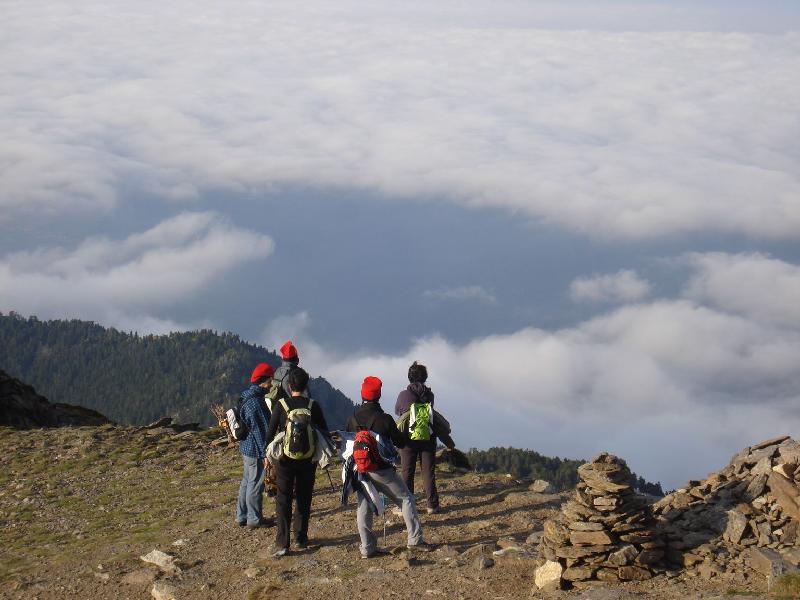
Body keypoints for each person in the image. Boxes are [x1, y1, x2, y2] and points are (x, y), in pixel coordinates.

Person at [346, 376, 430, 558]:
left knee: (364, 506)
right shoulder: (384, 419)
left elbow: (347, 441)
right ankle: (415, 540)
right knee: (406, 499)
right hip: (382, 471)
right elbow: (399, 441)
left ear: (362, 394)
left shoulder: (353, 418)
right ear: (379, 395)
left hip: (360, 470)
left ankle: (367, 548)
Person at [265, 367, 328, 557]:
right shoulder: (313, 405)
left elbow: (270, 432)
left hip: (284, 460)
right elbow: (324, 430)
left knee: (283, 498)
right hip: (307, 459)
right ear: (306, 385)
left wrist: (266, 457)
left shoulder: (281, 405)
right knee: (304, 496)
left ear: (289, 385)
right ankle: (301, 537)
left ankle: (283, 543)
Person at [394, 361, 455, 514]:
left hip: (408, 439)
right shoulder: (430, 394)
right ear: (425, 377)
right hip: (428, 437)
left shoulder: (403, 395)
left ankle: (406, 507)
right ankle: (432, 505)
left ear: (409, 377)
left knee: (407, 472)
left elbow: (397, 411)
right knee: (428, 472)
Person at [237, 362, 276, 529]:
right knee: (256, 483)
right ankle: (254, 519)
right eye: (270, 381)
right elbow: (262, 432)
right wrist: (265, 454)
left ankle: (242, 515)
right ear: (263, 381)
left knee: (246, 481)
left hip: (246, 447)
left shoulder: (247, 395)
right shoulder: (257, 403)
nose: (271, 384)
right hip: (255, 450)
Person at [266, 340, 306, 410]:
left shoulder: (277, 372)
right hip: (290, 413)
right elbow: (306, 398)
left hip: (276, 411)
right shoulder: (297, 375)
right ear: (296, 359)